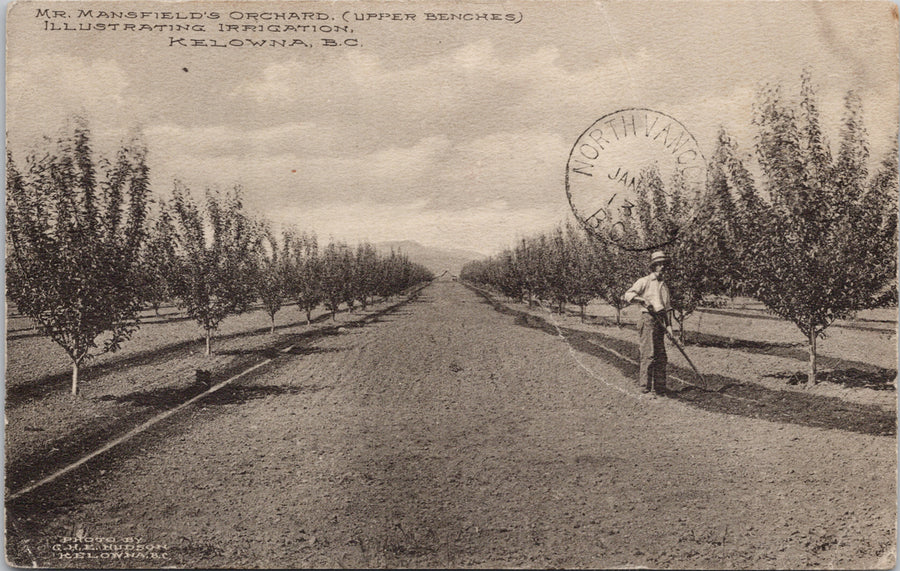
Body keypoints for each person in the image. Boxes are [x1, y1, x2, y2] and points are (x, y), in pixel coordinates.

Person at [623, 250, 675, 395]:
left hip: (661, 322)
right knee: (649, 354)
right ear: (654, 266)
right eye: (659, 264)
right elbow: (628, 295)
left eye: (664, 264)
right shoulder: (644, 281)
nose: (662, 267)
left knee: (661, 356)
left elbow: (668, 308)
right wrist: (643, 300)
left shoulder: (664, 286)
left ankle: (660, 387)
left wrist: (669, 327)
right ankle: (645, 387)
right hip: (648, 320)